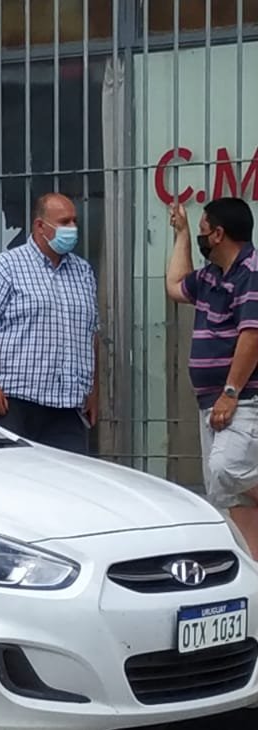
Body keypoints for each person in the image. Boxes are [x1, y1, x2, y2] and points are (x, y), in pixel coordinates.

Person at [0, 191, 100, 453]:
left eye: (74, 221)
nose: (72, 228)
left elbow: (90, 334)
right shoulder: (5, 267)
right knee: (12, 484)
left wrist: (93, 392)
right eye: (64, 222)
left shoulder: (83, 272)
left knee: (68, 483)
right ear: (40, 226)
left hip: (67, 405)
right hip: (12, 402)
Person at [166, 196, 258, 555]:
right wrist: (183, 234)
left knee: (226, 469)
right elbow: (175, 286)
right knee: (225, 492)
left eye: (203, 229)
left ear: (219, 234)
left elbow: (252, 334)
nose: (203, 235)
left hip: (242, 399)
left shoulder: (251, 270)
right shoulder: (209, 276)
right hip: (212, 402)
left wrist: (230, 392)